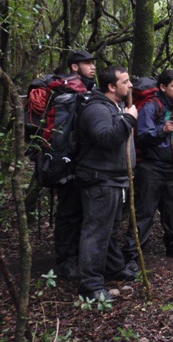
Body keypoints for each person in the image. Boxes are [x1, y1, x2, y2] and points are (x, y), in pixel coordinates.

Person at [74, 66, 138, 301]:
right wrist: (129, 119)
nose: (130, 86)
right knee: (96, 232)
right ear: (111, 86)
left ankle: (113, 268)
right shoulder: (97, 109)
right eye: (126, 81)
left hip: (116, 179)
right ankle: (90, 287)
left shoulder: (116, 106)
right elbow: (105, 138)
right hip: (100, 181)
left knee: (110, 230)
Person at [123, 69, 173, 263]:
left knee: (172, 210)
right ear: (163, 87)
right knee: (145, 211)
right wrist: (162, 130)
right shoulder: (151, 106)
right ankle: (132, 255)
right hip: (152, 167)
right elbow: (143, 135)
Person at [55, 50, 96, 280]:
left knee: (81, 210)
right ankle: (65, 260)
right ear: (74, 67)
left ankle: (78, 255)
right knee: (69, 211)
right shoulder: (69, 91)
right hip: (68, 161)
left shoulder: (88, 89)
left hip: (84, 161)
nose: (92, 67)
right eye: (86, 63)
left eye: (92, 63)